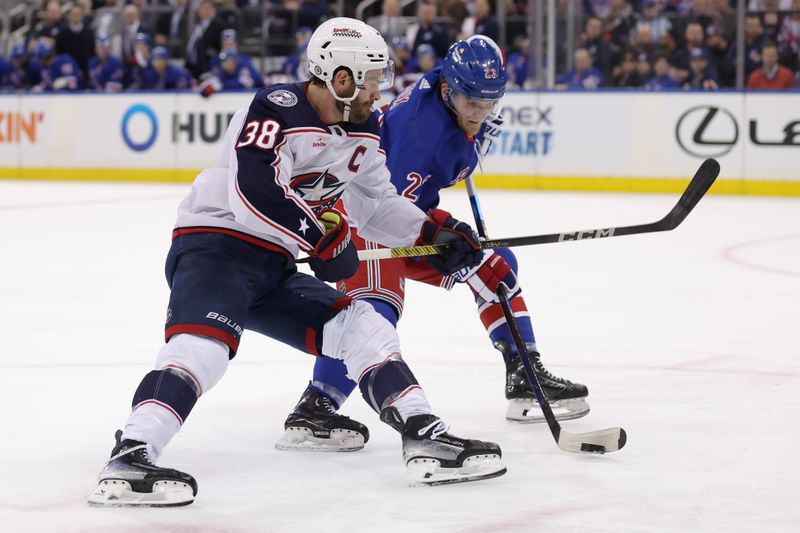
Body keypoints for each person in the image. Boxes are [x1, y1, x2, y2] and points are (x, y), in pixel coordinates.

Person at [87, 18, 505, 508]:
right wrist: (321, 240)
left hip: (274, 264)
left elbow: (375, 205)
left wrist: (432, 234)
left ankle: (424, 436)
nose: (379, 92)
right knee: (203, 349)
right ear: (340, 78)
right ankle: (130, 457)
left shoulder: (365, 130)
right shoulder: (274, 109)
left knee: (363, 327)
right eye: (371, 81)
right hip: (216, 244)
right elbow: (254, 191)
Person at [275, 35, 590, 454]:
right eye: (470, 104)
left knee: (493, 265)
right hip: (361, 214)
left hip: (406, 214)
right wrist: (441, 238)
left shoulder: (457, 94)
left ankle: (525, 375)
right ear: (447, 91)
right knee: (375, 307)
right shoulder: (418, 132)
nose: (479, 113)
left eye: (488, 103)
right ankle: (315, 407)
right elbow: (384, 210)